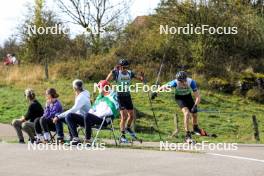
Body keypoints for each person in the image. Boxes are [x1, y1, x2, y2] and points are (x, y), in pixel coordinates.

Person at [151, 71, 201, 143]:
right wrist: (156, 92)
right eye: (180, 81)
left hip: (188, 97)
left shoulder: (191, 82)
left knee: (195, 114)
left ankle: (195, 128)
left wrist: (195, 106)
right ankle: (187, 135)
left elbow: (198, 97)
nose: (182, 83)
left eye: (183, 81)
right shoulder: (175, 82)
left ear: (186, 79)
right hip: (179, 98)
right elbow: (164, 86)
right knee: (186, 113)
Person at [67, 80, 119, 145]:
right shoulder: (100, 97)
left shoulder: (112, 97)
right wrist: (91, 114)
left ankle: (88, 139)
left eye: (99, 87)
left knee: (87, 115)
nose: (98, 89)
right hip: (91, 118)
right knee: (69, 116)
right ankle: (75, 138)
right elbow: (92, 109)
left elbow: (110, 112)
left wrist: (94, 115)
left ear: (104, 87)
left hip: (103, 120)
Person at [106, 58, 143, 143]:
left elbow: (140, 79)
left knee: (131, 116)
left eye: (126, 67)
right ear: (119, 67)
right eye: (123, 67)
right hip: (119, 97)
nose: (124, 69)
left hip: (127, 96)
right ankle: (122, 136)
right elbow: (106, 80)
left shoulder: (130, 73)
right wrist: (112, 71)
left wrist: (142, 78)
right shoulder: (116, 73)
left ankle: (128, 128)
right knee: (124, 116)